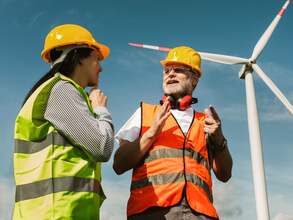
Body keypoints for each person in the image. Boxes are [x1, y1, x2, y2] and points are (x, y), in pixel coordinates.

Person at [113, 46, 233, 219]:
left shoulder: (206, 122)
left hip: (201, 214)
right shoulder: (144, 113)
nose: (170, 74)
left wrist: (220, 141)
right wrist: (151, 133)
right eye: (167, 70)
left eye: (178, 70)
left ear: (195, 78)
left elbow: (225, 175)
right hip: (152, 212)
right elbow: (118, 165)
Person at [13, 24, 114, 220]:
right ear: (79, 56)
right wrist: (101, 110)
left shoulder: (53, 92)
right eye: (96, 59)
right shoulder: (61, 90)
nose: (101, 67)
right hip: (58, 214)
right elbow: (103, 147)